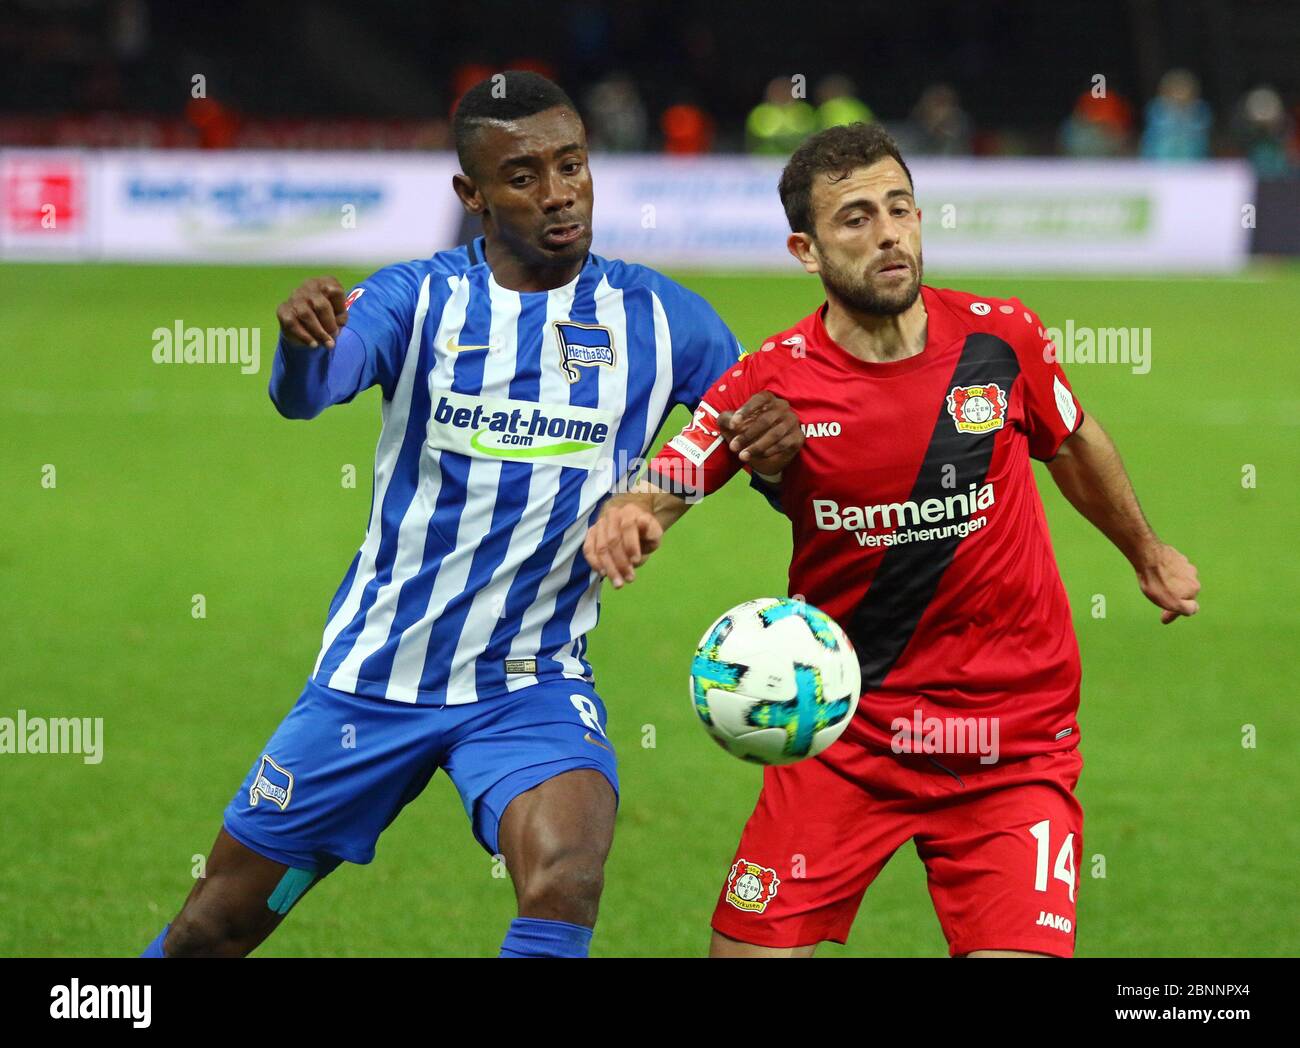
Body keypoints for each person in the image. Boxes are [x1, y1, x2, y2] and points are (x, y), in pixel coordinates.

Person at [140, 71, 801, 959]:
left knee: (567, 871)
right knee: (213, 929)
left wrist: (775, 443)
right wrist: (303, 349)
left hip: (530, 684)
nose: (559, 193)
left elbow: (747, 433)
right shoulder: (416, 299)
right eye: (524, 175)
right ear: (473, 194)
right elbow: (310, 394)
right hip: (373, 681)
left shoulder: (661, 316)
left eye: (572, 165)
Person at [585, 122, 1200, 958]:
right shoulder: (773, 380)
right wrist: (633, 513)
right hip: (847, 730)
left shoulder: (1000, 337)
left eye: (899, 208)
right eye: (855, 219)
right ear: (805, 248)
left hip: (1010, 737)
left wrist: (1147, 553)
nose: (887, 234)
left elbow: (1074, 439)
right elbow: (676, 473)